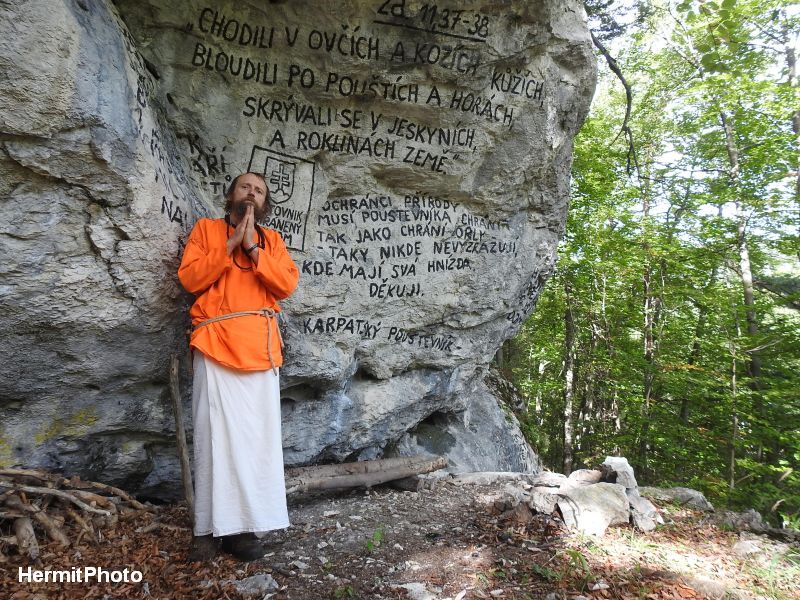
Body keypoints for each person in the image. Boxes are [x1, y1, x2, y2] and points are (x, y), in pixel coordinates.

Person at [177, 172, 300, 562]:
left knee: (255, 443)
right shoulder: (206, 230)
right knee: (212, 439)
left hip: (260, 348)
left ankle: (245, 528)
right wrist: (230, 245)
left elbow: (285, 285)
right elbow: (191, 278)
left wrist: (252, 250)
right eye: (245, 186)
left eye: (259, 190)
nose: (251, 193)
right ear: (230, 194)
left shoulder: (273, 241)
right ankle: (206, 530)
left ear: (265, 204)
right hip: (214, 344)